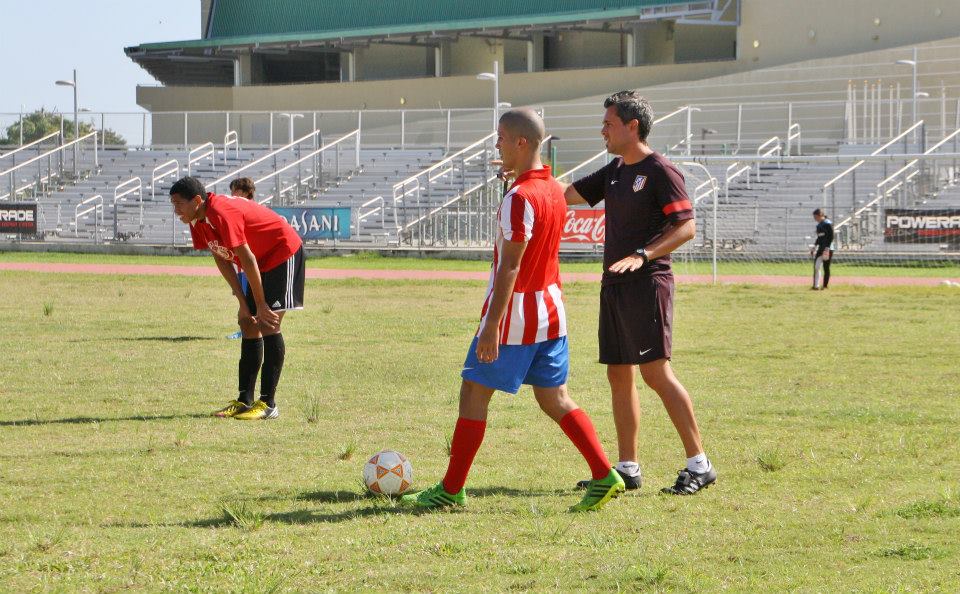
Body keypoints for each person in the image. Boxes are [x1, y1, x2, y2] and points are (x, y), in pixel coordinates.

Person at [400, 109, 625, 511]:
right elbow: (536, 199)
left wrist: (492, 327)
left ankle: (451, 490)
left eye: (501, 138)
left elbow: (511, 265)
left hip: (517, 316)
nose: (496, 144)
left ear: (521, 142)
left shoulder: (520, 198)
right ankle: (604, 474)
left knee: (473, 392)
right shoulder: (553, 189)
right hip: (552, 309)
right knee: (555, 398)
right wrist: (516, 178)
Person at [561, 91, 717, 495]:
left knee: (655, 374)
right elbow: (565, 195)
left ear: (633, 126)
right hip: (613, 285)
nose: (603, 131)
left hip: (647, 284)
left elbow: (686, 227)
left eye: (609, 124)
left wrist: (644, 254)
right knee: (618, 373)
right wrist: (526, 172)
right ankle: (628, 468)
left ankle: (699, 464)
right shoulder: (614, 171)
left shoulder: (661, 170)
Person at [169, 176, 304, 421]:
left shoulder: (221, 212)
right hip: (259, 260)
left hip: (282, 251)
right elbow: (221, 257)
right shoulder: (197, 219)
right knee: (247, 324)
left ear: (197, 201)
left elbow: (248, 258)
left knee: (268, 323)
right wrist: (244, 304)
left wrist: (261, 305)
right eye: (173, 204)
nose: (175, 209)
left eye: (178, 203)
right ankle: (244, 401)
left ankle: (268, 404)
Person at [225, 178, 257, 340]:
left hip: (252, 261)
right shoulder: (235, 210)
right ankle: (246, 330)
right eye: (231, 191)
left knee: (252, 298)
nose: (232, 194)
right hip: (240, 263)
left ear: (246, 192)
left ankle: (249, 331)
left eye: (236, 191)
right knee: (243, 297)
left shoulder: (251, 209)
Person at [811, 209, 834, 290]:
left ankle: (825, 286)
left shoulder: (828, 223)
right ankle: (815, 286)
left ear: (821, 215)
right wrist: (814, 246)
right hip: (821, 248)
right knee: (816, 266)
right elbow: (819, 237)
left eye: (816, 217)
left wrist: (827, 248)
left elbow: (831, 236)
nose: (815, 219)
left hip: (828, 248)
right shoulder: (818, 226)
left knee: (826, 267)